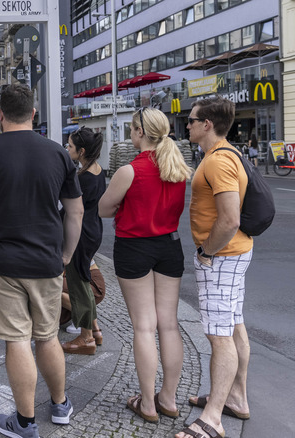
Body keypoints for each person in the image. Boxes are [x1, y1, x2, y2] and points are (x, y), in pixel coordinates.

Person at [0, 83, 84, 438]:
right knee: (47, 337)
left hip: (0, 262)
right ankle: (59, 405)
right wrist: (67, 254)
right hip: (46, 261)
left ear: (0, 114)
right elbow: (76, 211)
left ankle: (25, 422)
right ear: (33, 113)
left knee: (16, 340)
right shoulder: (58, 153)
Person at [98, 107, 191, 425]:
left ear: (138, 131)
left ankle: (148, 404)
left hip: (134, 246)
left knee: (143, 327)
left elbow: (104, 209)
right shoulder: (176, 166)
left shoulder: (129, 171)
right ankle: (169, 398)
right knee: (169, 324)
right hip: (170, 246)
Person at [176, 97, 253, 438]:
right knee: (234, 326)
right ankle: (235, 398)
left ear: (206, 124)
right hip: (234, 255)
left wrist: (206, 252)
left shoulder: (218, 162)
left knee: (219, 336)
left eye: (191, 121)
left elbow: (230, 218)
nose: (187, 125)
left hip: (222, 257)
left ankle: (213, 418)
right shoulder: (222, 154)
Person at [60, 127, 106, 356]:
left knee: (79, 287)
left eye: (69, 146)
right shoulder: (97, 171)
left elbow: (72, 210)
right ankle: (93, 332)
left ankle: (86, 337)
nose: (67, 149)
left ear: (82, 151)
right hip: (92, 231)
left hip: (80, 234)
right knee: (82, 281)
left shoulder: (83, 178)